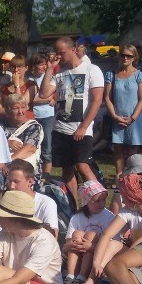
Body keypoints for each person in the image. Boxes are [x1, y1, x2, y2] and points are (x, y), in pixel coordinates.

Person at [39, 36, 104, 204]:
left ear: (73, 49)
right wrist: (49, 69)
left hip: (81, 128)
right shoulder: (59, 73)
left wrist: (83, 126)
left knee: (83, 166)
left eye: (62, 53)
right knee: (66, 170)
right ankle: (73, 206)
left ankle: (98, 201)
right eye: (57, 53)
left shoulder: (91, 69)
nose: (59, 57)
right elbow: (44, 94)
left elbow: (97, 100)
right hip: (60, 128)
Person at [63, 181, 114, 284]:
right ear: (86, 201)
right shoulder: (78, 217)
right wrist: (75, 243)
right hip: (78, 255)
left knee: (92, 235)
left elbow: (112, 247)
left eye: (103, 200)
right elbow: (66, 246)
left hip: (98, 257)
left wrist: (90, 247)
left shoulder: (109, 217)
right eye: (97, 200)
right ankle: (71, 276)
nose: (101, 203)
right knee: (77, 234)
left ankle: (81, 277)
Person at [104, 44, 142, 175]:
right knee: (117, 149)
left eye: (129, 56)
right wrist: (114, 116)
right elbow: (107, 97)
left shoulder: (140, 75)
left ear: (134, 57)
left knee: (132, 150)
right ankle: (119, 177)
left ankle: (131, 177)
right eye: (123, 55)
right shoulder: (111, 74)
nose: (125, 58)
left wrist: (132, 117)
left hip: (134, 118)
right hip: (117, 117)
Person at [5, 159, 59, 237]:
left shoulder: (46, 203)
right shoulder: (5, 201)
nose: (11, 186)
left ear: (30, 182)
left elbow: (53, 235)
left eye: (16, 182)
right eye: (9, 181)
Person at [0, 94, 43, 181]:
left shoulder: (34, 127)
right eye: (15, 108)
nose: (20, 112)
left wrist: (7, 162)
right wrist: (6, 142)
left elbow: (29, 149)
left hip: (25, 169)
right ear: (7, 110)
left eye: (23, 107)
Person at [29, 54, 56, 177]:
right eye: (41, 64)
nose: (44, 67)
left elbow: (56, 94)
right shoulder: (29, 79)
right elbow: (31, 100)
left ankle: (47, 175)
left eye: (45, 64)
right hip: (33, 115)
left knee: (47, 145)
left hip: (47, 116)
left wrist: (53, 98)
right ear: (34, 66)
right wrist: (46, 99)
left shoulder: (49, 77)